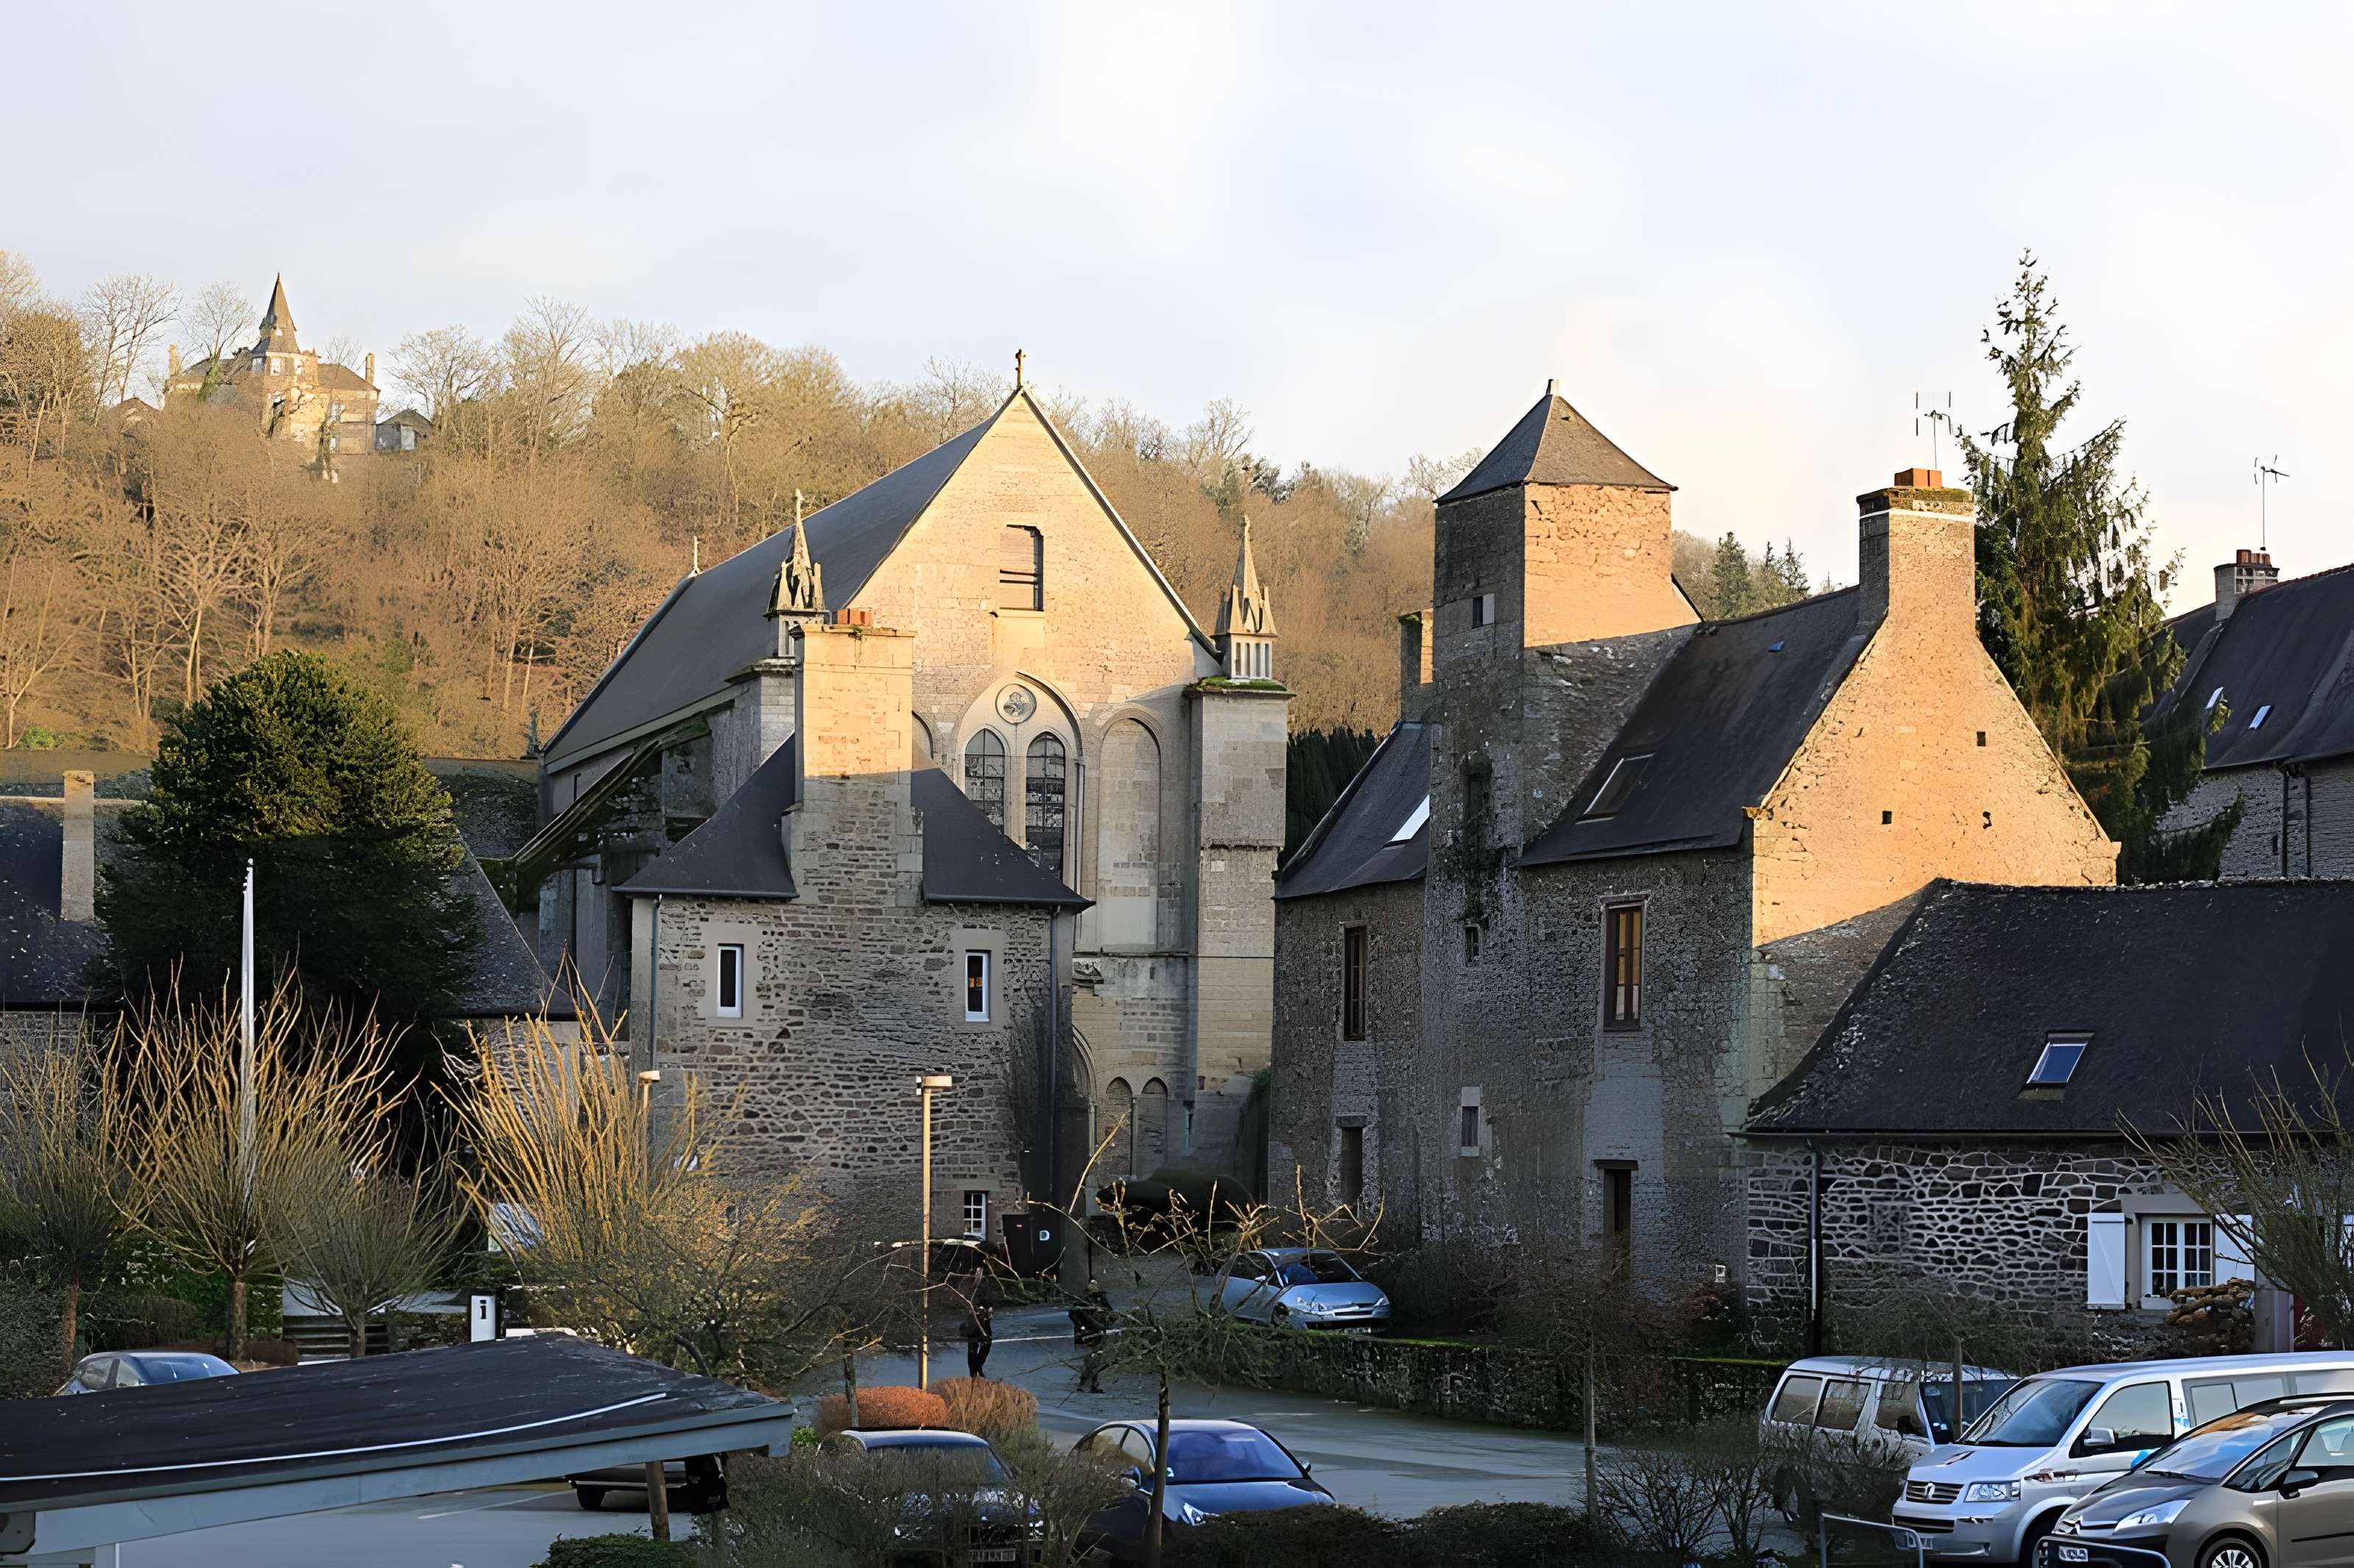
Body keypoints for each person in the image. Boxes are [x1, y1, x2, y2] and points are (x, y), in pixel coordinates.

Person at [1073, 1278, 1113, 1393]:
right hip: (1089, 1334)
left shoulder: (1101, 1298)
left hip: (1100, 1332)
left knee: (1098, 1360)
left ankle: (1090, 1384)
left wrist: (1108, 1318)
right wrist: (1083, 1328)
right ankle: (1086, 1384)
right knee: (1093, 1360)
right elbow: (1076, 1314)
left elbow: (1110, 1311)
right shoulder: (1084, 1301)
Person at [962, 1300, 995, 1380]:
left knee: (986, 1346)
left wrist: (986, 1315)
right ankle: (974, 1372)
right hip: (973, 1326)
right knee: (972, 1349)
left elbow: (990, 1315)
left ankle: (977, 1369)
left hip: (984, 1325)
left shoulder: (987, 1303)